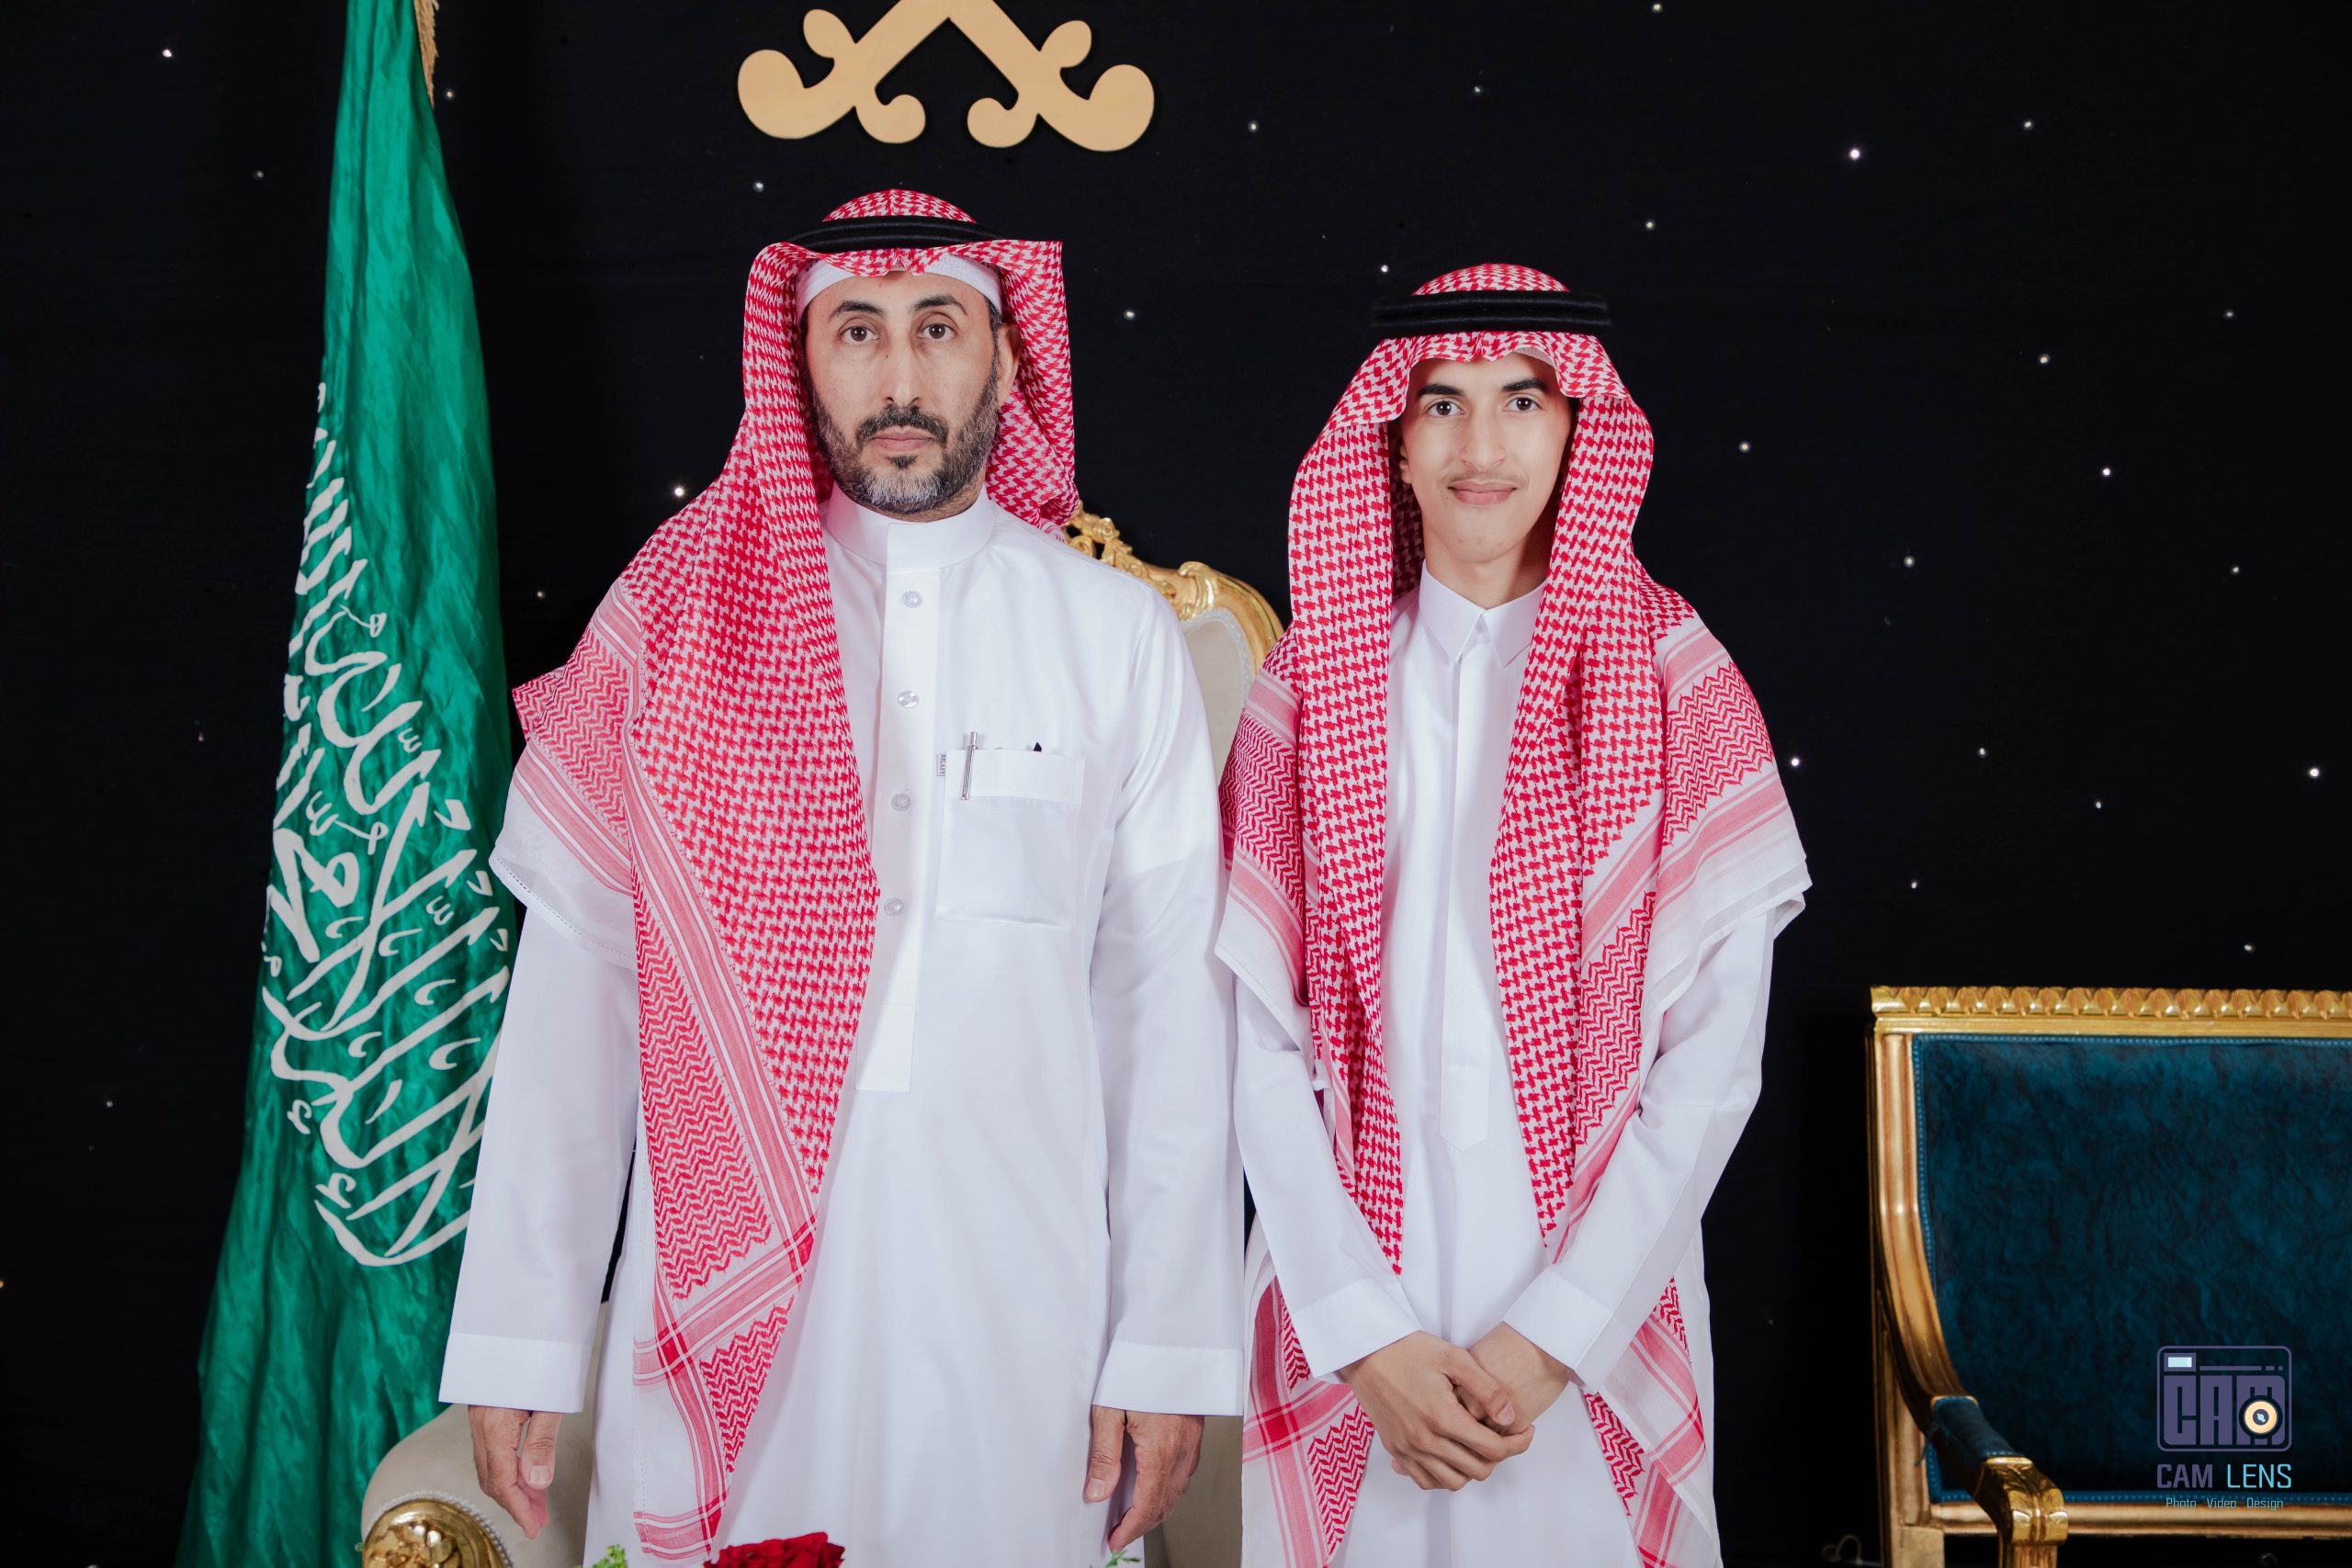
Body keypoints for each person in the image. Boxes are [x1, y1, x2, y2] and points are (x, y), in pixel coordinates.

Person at [439, 189, 1243, 1564]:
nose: (901, 378)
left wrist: (1166, 1345)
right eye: (857, 332)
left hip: (1021, 1309)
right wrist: (522, 1329)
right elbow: (580, 993)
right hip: (723, 1300)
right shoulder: (673, 626)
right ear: (797, 364)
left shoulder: (1112, 635)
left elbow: (1167, 1011)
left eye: (940, 328)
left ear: (1005, 359)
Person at [1220, 266, 1810, 1566]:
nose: (1480, 446)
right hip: (1347, 1322)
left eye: (1523, 402)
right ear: (1393, 439)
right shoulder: (1306, 687)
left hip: (1597, 1327)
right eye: (1441, 403)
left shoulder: (1680, 679)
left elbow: (1713, 1066)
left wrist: (1554, 1339)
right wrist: (1362, 1335)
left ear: (1578, 432)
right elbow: (1250, 1032)